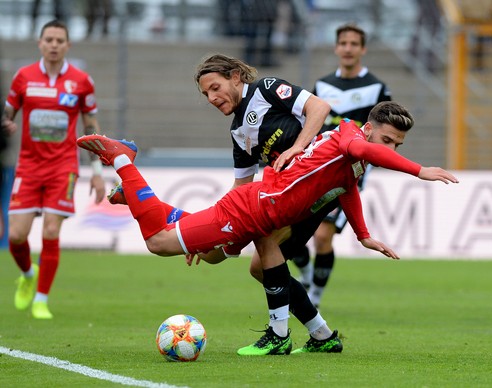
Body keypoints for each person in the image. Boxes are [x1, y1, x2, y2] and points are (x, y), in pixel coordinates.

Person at [77, 101, 458, 353]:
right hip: (254, 207)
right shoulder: (350, 134)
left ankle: (318, 336)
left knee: (209, 255)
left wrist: (363, 235)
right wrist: (418, 170)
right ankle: (125, 162)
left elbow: (348, 190)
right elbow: (362, 153)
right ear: (371, 128)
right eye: (388, 141)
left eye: (399, 146)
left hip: (264, 211)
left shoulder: (355, 159)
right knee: (159, 243)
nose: (392, 150)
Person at [2, 20, 106, 319]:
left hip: (63, 167)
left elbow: (90, 126)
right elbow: (9, 111)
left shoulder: (82, 81)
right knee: (17, 237)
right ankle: (27, 273)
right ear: (40, 43)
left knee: (50, 230)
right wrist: (7, 121)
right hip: (28, 167)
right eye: (49, 39)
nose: (54, 44)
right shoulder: (24, 77)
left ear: (67, 45)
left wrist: (97, 171)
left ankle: (41, 300)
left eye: (60, 40)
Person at [291, 23, 392, 307]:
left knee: (323, 237)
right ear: (337, 48)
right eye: (343, 43)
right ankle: (308, 275)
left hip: (351, 171)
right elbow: (309, 122)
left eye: (353, 44)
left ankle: (315, 298)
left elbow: (386, 129)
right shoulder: (323, 86)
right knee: (291, 230)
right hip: (318, 166)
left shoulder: (377, 88)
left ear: (362, 49)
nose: (348, 48)